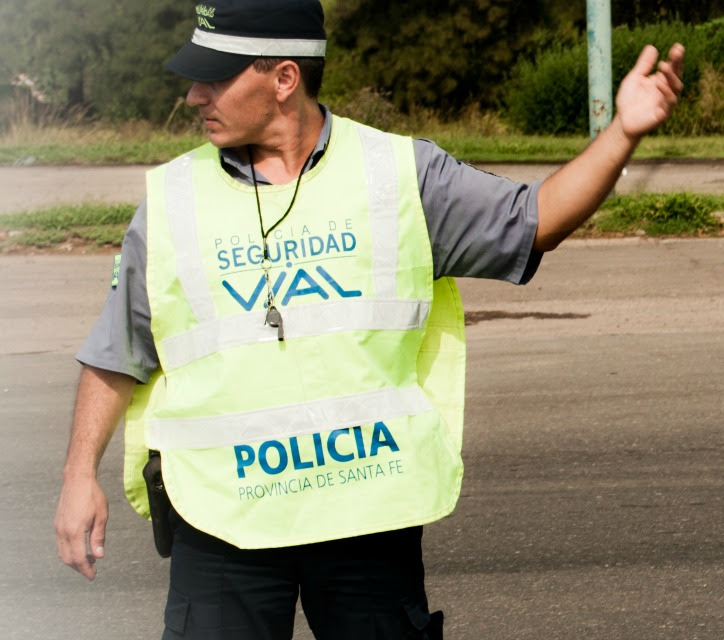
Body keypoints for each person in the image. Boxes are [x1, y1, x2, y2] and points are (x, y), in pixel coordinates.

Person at [53, 0, 684, 637]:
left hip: (364, 509)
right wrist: (80, 477)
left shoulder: (399, 175)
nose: (194, 95)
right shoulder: (173, 199)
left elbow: (536, 218)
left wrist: (622, 133)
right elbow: (117, 352)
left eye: (216, 76)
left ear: (283, 79)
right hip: (224, 519)